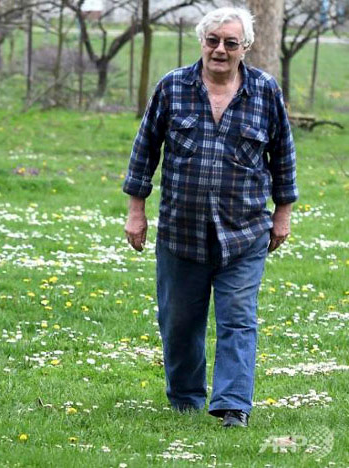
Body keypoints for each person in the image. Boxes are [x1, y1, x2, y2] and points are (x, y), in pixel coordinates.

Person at [122, 7, 298, 428]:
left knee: (238, 320)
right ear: (202, 42)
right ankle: (185, 400)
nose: (220, 49)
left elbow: (284, 155)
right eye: (213, 40)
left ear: (245, 48)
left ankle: (233, 405)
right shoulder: (172, 88)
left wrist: (283, 215)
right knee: (180, 322)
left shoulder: (264, 91)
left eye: (230, 43)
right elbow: (145, 149)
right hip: (181, 232)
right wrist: (136, 211)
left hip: (245, 232)